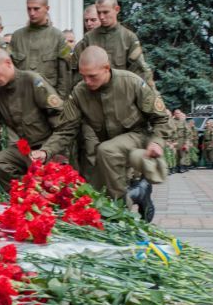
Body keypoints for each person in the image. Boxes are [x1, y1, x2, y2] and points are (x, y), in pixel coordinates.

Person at [63, 46, 173, 221]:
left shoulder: (132, 83)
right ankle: (139, 193)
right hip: (108, 145)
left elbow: (161, 118)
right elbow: (65, 129)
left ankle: (122, 217)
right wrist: (47, 151)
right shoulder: (80, 91)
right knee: (94, 194)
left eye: (92, 76)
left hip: (138, 137)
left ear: (106, 68)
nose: (87, 81)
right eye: (83, 76)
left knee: (107, 151)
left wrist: (157, 142)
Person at [0, 48, 73, 191]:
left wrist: (49, 151)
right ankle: (25, 194)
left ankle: (39, 193)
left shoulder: (33, 81)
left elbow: (61, 122)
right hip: (26, 148)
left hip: (49, 146)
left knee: (57, 187)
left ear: (8, 63)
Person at [70, 0, 155, 91]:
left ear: (117, 9)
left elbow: (141, 72)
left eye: (105, 12)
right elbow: (75, 72)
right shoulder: (88, 39)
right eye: (99, 12)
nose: (101, 17)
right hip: (93, 97)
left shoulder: (128, 38)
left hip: (120, 96)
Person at [9, 0, 70, 98]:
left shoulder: (58, 37)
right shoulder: (17, 37)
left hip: (48, 98)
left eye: (36, 9)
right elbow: (9, 70)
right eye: (29, 9)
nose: (32, 13)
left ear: (47, 8)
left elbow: (64, 75)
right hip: (22, 98)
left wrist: (60, 102)